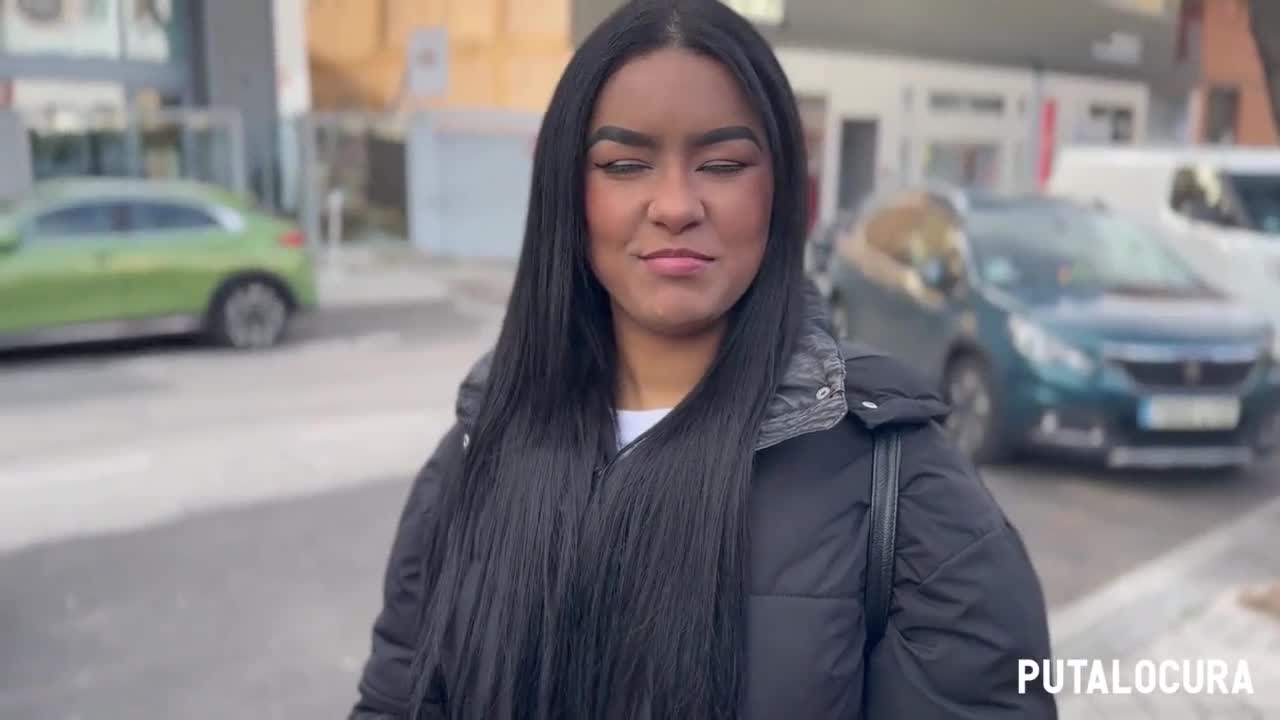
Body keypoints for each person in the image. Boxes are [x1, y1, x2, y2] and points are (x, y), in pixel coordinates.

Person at [350, 1, 1056, 718]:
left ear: (780, 191)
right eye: (625, 165)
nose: (675, 205)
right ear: (568, 192)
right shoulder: (475, 456)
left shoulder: (906, 489)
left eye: (722, 165)